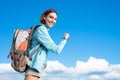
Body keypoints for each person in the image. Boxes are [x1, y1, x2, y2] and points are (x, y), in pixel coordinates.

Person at [24, 9, 69, 80]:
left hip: (35, 67)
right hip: (34, 66)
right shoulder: (41, 30)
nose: (53, 21)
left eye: (55, 19)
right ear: (44, 17)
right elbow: (57, 50)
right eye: (51, 17)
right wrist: (64, 39)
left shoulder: (42, 29)